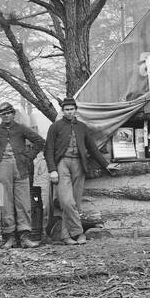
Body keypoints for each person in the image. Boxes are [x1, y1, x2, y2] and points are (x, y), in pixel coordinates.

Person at [44, 97, 118, 245]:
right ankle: (79, 233)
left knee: (75, 203)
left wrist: (106, 165)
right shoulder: (55, 127)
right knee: (67, 201)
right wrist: (52, 170)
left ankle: (66, 236)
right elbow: (48, 150)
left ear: (75, 110)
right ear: (62, 111)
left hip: (79, 164)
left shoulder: (82, 127)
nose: (69, 112)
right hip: (62, 163)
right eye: (66, 110)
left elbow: (92, 148)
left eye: (72, 109)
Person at [0, 100, 46, 248]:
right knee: (5, 203)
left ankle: (25, 237)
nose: (6, 116)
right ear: (0, 116)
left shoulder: (21, 129)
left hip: (21, 169)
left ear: (13, 114)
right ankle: (9, 237)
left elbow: (39, 141)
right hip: (2, 169)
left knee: (23, 202)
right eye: (3, 114)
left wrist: (29, 157)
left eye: (8, 113)